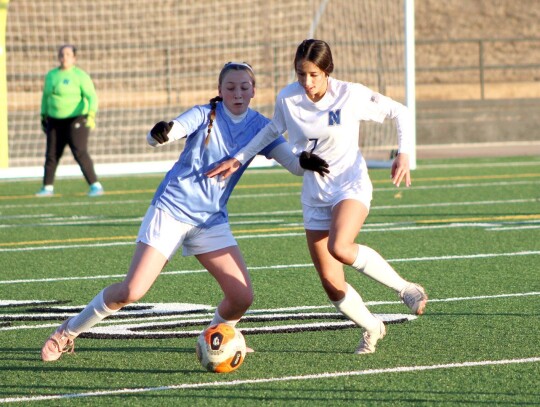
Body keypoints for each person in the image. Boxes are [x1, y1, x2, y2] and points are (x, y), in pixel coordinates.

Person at [40, 61, 328, 362]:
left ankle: (218, 338)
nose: (238, 93)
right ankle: (67, 332)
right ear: (220, 90)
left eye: (244, 87)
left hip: (210, 220)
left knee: (242, 297)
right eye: (230, 87)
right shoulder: (204, 114)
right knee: (132, 290)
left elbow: (294, 166)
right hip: (171, 210)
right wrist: (159, 133)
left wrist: (306, 161)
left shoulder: (260, 127)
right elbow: (166, 133)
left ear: (254, 90)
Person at [206, 40, 427, 355]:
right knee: (331, 284)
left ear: (327, 72)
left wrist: (404, 154)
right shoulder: (288, 98)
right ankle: (372, 327)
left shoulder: (350, 95)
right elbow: (271, 132)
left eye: (313, 75)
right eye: (300, 74)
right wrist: (239, 158)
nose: (307, 83)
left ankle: (406, 289)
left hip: (350, 186)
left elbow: (400, 112)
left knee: (340, 246)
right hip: (315, 195)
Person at [37, 44, 104, 197]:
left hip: (77, 119)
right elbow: (46, 97)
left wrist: (91, 114)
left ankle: (95, 185)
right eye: (62, 54)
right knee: (52, 154)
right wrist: (43, 115)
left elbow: (91, 96)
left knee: (79, 152)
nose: (64, 57)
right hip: (55, 120)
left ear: (74, 58)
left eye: (68, 54)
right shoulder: (52, 75)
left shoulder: (80, 75)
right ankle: (47, 187)